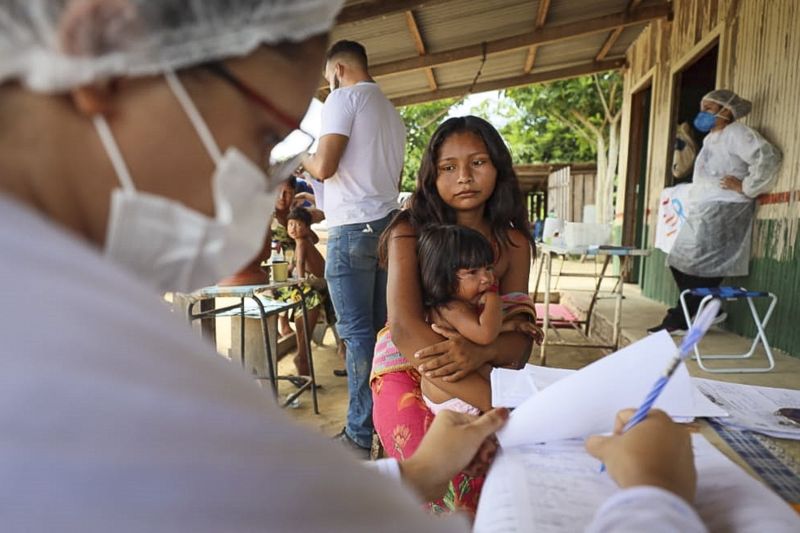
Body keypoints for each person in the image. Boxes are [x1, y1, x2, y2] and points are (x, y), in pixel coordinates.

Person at [0, 2, 717, 531]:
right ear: (106, 44)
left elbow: (280, 497)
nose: (267, 187)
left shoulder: (54, 301)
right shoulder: (62, 351)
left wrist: (418, 472)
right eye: (260, 133)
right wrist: (653, 493)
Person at [372, 116, 539, 515]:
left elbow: (520, 344)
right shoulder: (409, 230)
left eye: (478, 163)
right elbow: (406, 329)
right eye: (448, 167)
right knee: (443, 480)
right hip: (409, 365)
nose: (464, 176)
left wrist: (481, 353)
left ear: (498, 167)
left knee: (504, 484)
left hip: (487, 367)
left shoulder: (513, 243)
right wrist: (503, 411)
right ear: (432, 175)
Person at [302, 39, 406, 456]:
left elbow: (324, 166)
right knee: (382, 331)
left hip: (350, 232)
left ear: (339, 69)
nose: (328, 85)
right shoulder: (392, 114)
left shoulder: (343, 98)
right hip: (386, 229)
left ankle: (359, 434)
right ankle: (384, 424)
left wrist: (302, 157)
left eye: (328, 78)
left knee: (357, 335)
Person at [648, 89, 782, 335]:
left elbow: (767, 157)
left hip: (727, 207)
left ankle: (680, 318)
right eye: (703, 108)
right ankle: (709, 308)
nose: (703, 114)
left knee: (702, 265)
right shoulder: (711, 138)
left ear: (726, 111)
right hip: (705, 206)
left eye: (709, 109)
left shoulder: (737, 133)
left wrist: (746, 187)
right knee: (678, 260)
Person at [416, 224, 541, 416]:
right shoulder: (451, 308)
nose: (487, 278)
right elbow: (485, 335)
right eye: (473, 272)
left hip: (457, 394)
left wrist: (513, 325)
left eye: (489, 268)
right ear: (443, 278)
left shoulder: (461, 305)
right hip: (457, 400)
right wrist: (494, 299)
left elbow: (473, 333)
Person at [274, 206, 327, 375]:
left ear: (307, 227)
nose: (293, 229)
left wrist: (298, 279)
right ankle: (303, 355)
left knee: (307, 298)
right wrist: (287, 270)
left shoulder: (303, 242)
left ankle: (302, 355)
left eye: (298, 225)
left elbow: (300, 265)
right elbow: (294, 264)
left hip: (317, 283)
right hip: (316, 283)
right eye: (290, 225)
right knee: (301, 302)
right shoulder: (300, 242)